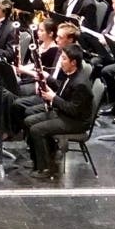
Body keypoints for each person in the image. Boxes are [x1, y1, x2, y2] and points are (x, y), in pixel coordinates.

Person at [22, 43, 94, 179]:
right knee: (28, 120)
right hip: (65, 114)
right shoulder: (71, 74)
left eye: (64, 59)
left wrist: (53, 98)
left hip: (76, 121)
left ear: (73, 62)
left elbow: (74, 110)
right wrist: (47, 81)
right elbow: (63, 90)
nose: (61, 61)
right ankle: (39, 159)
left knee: (37, 130)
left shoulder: (81, 84)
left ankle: (45, 168)